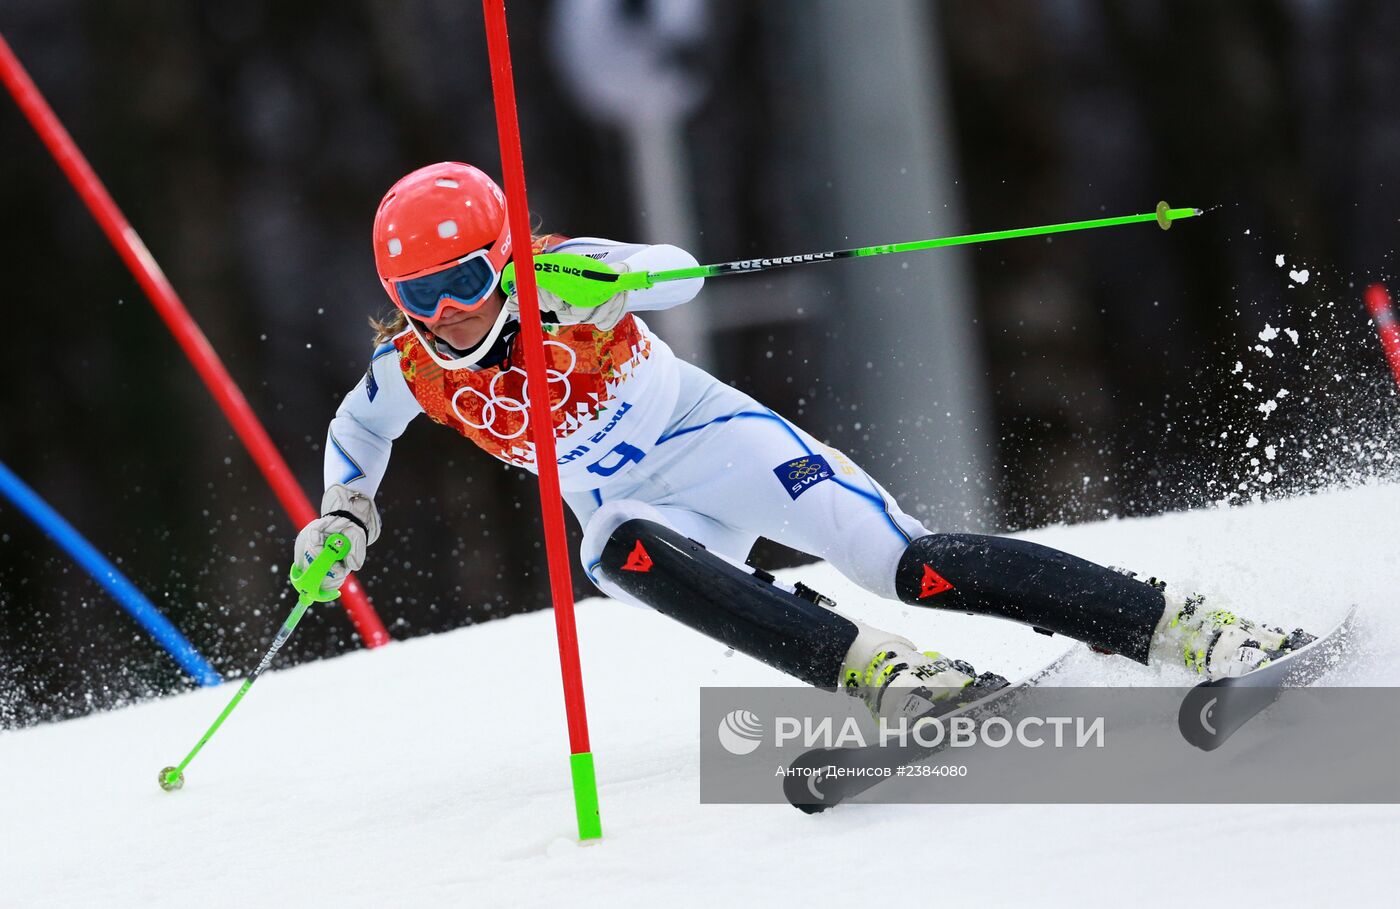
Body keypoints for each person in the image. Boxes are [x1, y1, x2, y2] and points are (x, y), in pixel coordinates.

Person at [294, 161, 1312, 724]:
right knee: (609, 549)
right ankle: (891, 678)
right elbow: (358, 428)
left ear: (500, 259)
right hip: (658, 509)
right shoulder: (416, 369)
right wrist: (341, 518)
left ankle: (1183, 625)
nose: (449, 316)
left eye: (465, 284)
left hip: (719, 443)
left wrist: (597, 284)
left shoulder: (560, 277)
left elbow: (678, 274)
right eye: (418, 299)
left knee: (902, 566)